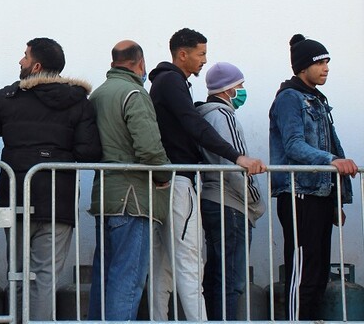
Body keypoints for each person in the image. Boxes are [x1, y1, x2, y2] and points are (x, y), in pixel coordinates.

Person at [0, 37, 101, 321]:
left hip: (17, 197)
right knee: (45, 277)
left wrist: (14, 104)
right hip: (58, 201)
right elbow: (89, 151)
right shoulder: (78, 101)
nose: (21, 61)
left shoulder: (13, 97)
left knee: (17, 273)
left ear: (36, 66)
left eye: (25, 56)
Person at [148, 28, 265, 321]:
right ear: (182, 54)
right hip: (179, 180)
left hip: (168, 179)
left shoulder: (166, 82)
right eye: (201, 54)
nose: (204, 60)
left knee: (163, 265)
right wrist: (236, 157)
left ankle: (158, 318)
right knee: (190, 262)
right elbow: (193, 125)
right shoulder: (172, 81)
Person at [269, 34, 358, 320]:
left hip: (319, 195)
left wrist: (336, 199)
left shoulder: (316, 100)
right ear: (303, 66)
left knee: (318, 274)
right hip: (299, 194)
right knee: (302, 273)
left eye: (327, 62)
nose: (326, 68)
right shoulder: (289, 98)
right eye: (320, 62)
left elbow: (332, 145)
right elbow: (294, 145)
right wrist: (332, 161)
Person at [86, 40, 171, 320]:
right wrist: (163, 176)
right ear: (141, 63)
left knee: (104, 279)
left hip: (105, 196)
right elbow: (149, 148)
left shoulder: (98, 94)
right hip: (133, 199)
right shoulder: (134, 93)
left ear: (113, 63)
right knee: (128, 280)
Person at [196, 62, 265, 320]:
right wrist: (256, 201)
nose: (243, 91)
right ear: (228, 89)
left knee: (216, 276)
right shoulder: (223, 116)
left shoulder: (205, 115)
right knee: (231, 281)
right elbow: (236, 166)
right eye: (240, 86)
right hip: (231, 204)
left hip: (213, 199)